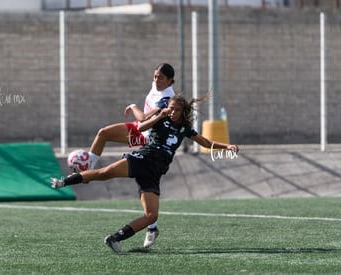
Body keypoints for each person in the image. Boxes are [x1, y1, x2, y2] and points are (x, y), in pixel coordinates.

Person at [52, 95, 239, 253]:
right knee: (104, 173)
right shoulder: (161, 119)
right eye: (171, 108)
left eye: (177, 110)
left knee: (151, 216)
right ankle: (64, 182)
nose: (173, 112)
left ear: (183, 112)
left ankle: (115, 238)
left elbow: (205, 142)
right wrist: (160, 115)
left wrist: (227, 146)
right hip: (142, 159)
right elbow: (141, 128)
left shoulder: (185, 129)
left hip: (154, 172)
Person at [86, 62, 175, 247]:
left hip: (148, 139)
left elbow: (142, 118)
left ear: (170, 81)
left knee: (146, 186)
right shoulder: (157, 86)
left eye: (161, 78)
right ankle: (87, 168)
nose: (157, 80)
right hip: (140, 131)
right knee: (103, 133)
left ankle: (152, 227)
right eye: (155, 76)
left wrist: (133, 105)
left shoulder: (167, 98)